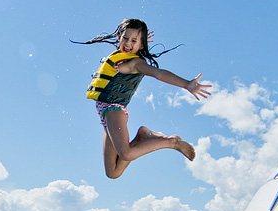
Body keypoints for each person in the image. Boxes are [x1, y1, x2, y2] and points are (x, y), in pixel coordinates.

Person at [75, 18, 212, 179]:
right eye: (125, 38)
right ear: (119, 37)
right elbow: (130, 41)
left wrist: (187, 84)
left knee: (126, 153)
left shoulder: (135, 63)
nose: (128, 43)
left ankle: (172, 142)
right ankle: (142, 136)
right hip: (105, 114)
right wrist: (138, 39)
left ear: (141, 45)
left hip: (114, 109)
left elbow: (158, 74)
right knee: (113, 172)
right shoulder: (119, 56)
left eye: (134, 41)